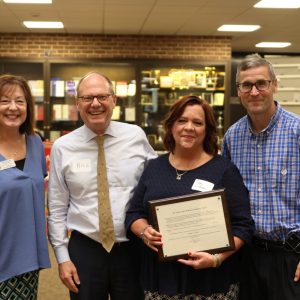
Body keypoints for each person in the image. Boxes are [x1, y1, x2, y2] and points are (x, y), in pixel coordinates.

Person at [125, 95, 254, 299]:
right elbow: (133, 213)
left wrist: (216, 259)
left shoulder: (224, 170)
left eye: (197, 122)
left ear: (208, 129)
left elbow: (243, 226)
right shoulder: (154, 168)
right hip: (160, 279)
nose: (189, 127)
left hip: (211, 280)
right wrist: (144, 231)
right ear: (171, 126)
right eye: (182, 120)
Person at [47, 71, 157, 300]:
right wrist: (62, 258)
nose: (95, 103)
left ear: (114, 100)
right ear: (77, 104)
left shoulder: (136, 136)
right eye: (87, 98)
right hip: (85, 249)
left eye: (102, 97)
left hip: (132, 248)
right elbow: (57, 209)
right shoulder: (63, 147)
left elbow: (157, 184)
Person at [222, 53, 300, 300]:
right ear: (239, 91)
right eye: (246, 85)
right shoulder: (232, 138)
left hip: (291, 257)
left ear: (274, 85)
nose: (254, 91)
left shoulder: (297, 132)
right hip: (246, 257)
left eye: (261, 83)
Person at [0, 74, 50, 299]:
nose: (13, 108)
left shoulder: (35, 143)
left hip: (27, 258)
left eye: (19, 101)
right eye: (4, 101)